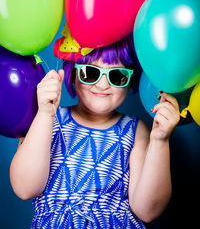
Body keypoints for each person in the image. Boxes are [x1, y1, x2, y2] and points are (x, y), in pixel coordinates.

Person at [10, 34, 180, 228]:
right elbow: (25, 188)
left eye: (117, 75)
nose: (103, 84)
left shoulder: (134, 130)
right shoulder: (48, 120)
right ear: (73, 73)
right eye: (90, 72)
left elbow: (148, 211)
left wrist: (160, 140)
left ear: (130, 78)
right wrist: (44, 114)